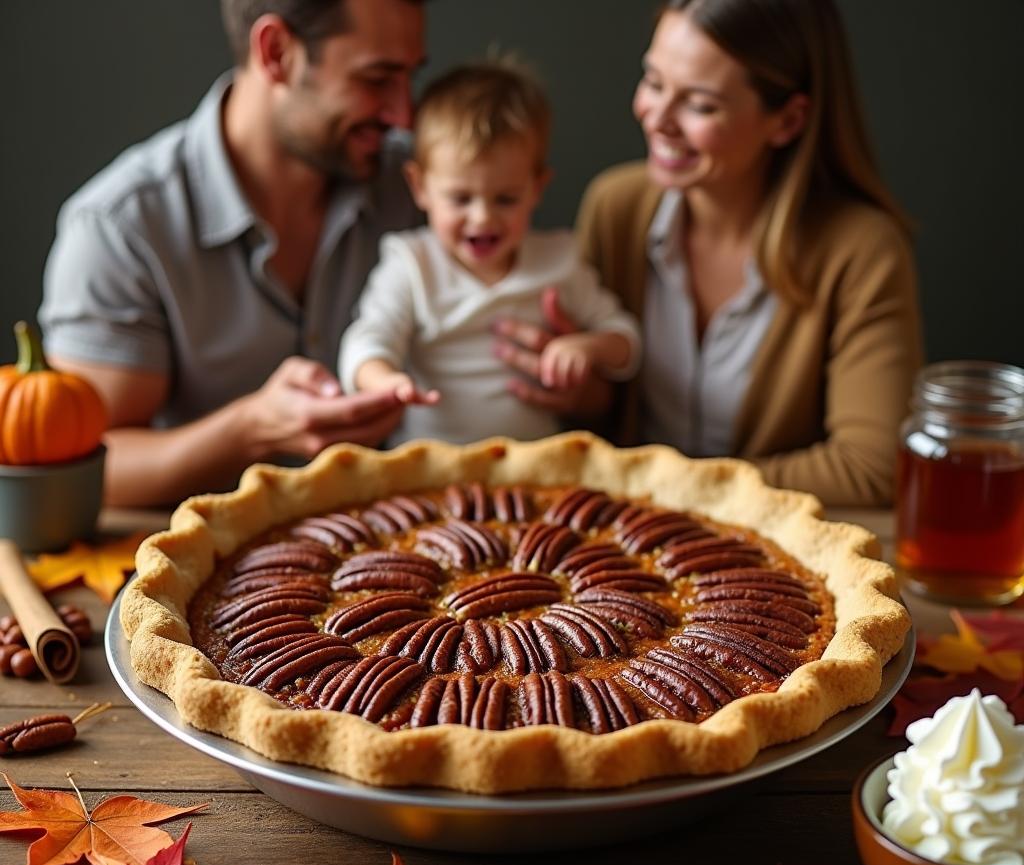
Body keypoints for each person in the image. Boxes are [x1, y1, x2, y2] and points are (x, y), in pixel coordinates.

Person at [500, 0, 923, 506]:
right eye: (654, 83)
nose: (657, 119)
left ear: (787, 121)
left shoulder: (861, 250)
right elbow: (603, 423)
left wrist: (674, 487)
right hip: (621, 540)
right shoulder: (616, 207)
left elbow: (869, 470)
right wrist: (584, 394)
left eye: (699, 105)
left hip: (766, 556)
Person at [37, 0, 427, 508]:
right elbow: (86, 475)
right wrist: (250, 429)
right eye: (377, 79)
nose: (404, 114)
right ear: (277, 52)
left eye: (410, 77)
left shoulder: (426, 189)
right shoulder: (122, 227)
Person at [338, 60, 640, 447]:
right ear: (420, 187)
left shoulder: (559, 260)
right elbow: (366, 341)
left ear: (537, 188)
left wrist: (587, 347)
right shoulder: (412, 265)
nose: (482, 218)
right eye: (460, 198)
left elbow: (626, 341)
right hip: (430, 468)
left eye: (506, 199)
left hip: (537, 468)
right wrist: (386, 381)